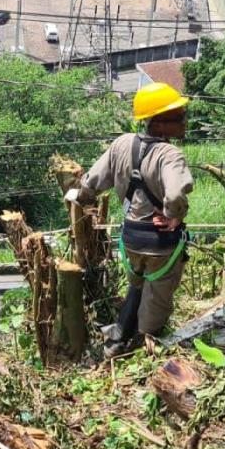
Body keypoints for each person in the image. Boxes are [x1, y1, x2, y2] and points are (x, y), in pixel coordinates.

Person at [70, 82, 195, 357]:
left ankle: (118, 339)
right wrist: (174, 217)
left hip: (130, 241)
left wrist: (80, 199)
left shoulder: (122, 144)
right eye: (179, 116)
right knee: (157, 298)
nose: (184, 122)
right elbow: (174, 195)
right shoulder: (170, 155)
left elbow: (90, 183)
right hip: (159, 243)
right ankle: (143, 347)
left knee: (136, 286)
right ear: (160, 123)